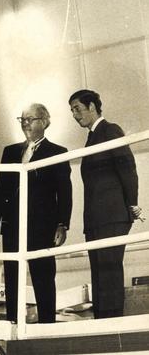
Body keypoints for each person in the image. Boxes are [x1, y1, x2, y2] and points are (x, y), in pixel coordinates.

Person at [0, 103, 72, 323]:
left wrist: (62, 224)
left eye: (31, 119)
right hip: (14, 225)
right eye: (22, 119)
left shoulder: (58, 152)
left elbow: (64, 192)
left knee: (43, 276)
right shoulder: (10, 151)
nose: (26, 123)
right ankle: (14, 323)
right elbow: (1, 187)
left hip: (42, 227)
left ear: (45, 122)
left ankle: (47, 325)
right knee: (13, 276)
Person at [69, 89, 142, 319]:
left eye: (77, 108)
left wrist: (132, 205)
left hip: (112, 216)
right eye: (72, 110)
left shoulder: (110, 130)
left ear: (92, 107)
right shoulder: (91, 137)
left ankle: (112, 325)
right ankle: (101, 322)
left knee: (109, 270)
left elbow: (128, 169)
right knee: (99, 272)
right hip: (95, 219)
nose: (74, 114)